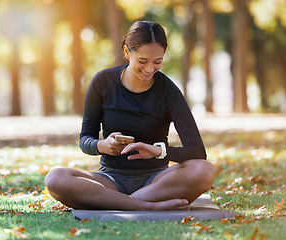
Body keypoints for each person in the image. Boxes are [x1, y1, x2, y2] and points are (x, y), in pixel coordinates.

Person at [45, 21, 215, 211]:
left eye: (157, 62)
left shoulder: (168, 91)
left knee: (204, 170)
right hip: (110, 179)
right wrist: (102, 146)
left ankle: (120, 203)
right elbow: (85, 139)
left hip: (156, 182)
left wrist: (156, 150)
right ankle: (146, 206)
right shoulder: (103, 82)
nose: (150, 69)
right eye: (142, 61)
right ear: (127, 51)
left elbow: (197, 151)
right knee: (55, 178)